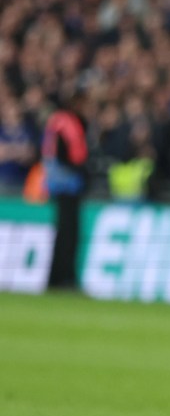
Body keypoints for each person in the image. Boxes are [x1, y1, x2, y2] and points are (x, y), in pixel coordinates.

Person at [42, 90, 88, 289]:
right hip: (68, 183)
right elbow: (70, 154)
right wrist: (82, 171)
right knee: (69, 233)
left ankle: (57, 277)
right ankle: (64, 278)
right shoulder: (67, 122)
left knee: (64, 232)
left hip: (60, 182)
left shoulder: (56, 121)